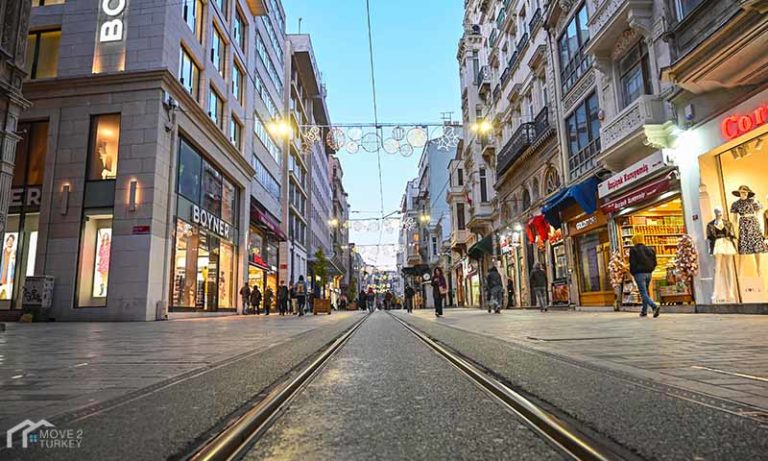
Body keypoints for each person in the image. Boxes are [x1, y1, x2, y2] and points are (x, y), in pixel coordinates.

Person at [630, 234, 660, 317]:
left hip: (639, 274)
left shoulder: (633, 250)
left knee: (643, 293)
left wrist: (633, 272)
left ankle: (654, 306)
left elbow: (632, 263)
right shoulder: (650, 249)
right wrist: (650, 270)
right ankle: (644, 311)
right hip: (649, 274)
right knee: (646, 292)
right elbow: (655, 262)